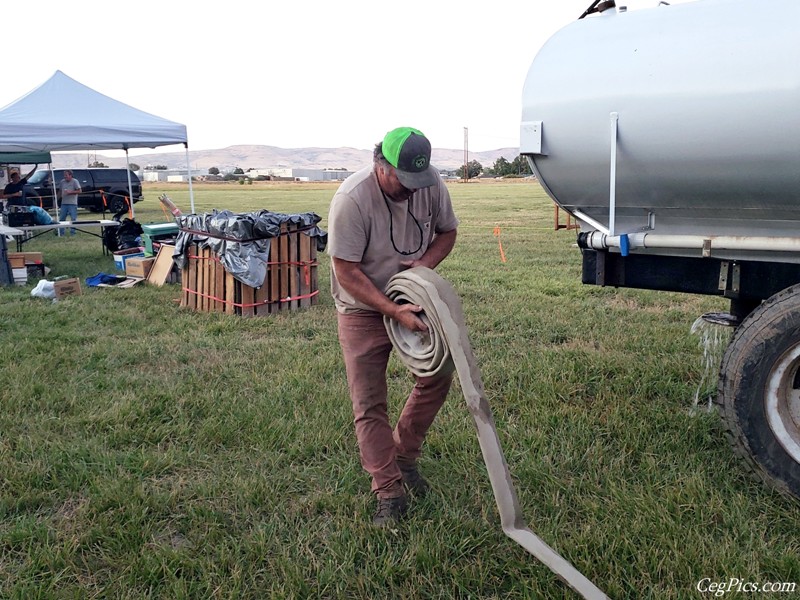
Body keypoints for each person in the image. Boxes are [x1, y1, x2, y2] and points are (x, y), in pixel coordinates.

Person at [327, 126, 459, 526]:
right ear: (379, 165)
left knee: (438, 375)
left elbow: (448, 232)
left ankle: (404, 456)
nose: (412, 190)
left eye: (418, 180)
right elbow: (346, 272)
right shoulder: (352, 199)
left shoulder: (429, 184)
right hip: (361, 306)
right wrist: (391, 311)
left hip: (413, 298)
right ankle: (388, 490)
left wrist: (423, 266)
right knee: (369, 400)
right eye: (403, 180)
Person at [57, 170, 81, 236]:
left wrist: (70, 192)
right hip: (64, 203)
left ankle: (73, 233)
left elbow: (79, 191)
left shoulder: (75, 181)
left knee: (73, 218)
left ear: (70, 175)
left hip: (72, 203)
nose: (65, 177)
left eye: (66, 175)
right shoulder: (62, 182)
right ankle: (61, 233)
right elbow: (60, 191)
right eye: (64, 175)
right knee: (62, 218)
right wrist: (56, 200)